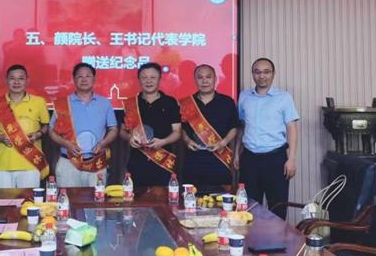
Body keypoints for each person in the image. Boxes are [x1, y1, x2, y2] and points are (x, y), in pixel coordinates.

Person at [235, 58, 300, 219]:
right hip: (249, 159)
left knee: (277, 208)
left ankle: (277, 237)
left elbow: (292, 128)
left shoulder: (284, 97)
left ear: (273, 74)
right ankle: (250, 236)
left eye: (266, 72)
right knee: (248, 208)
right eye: (257, 72)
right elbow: (241, 127)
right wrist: (236, 153)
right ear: (252, 74)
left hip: (275, 159)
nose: (262, 76)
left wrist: (291, 159)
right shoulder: (244, 96)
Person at [49, 63, 119, 187]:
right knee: (67, 198)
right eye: (80, 76)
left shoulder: (104, 103)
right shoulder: (62, 104)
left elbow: (113, 129)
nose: (84, 79)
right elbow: (51, 131)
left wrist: (103, 143)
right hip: (68, 163)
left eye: (88, 76)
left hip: (96, 163)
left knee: (96, 198)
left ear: (94, 79)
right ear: (74, 79)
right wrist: (66, 144)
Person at [0, 64, 50, 189]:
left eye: (21, 78)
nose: (16, 82)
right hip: (4, 164)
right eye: (12, 78)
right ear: (6, 80)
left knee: (29, 201)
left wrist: (38, 134)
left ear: (27, 81)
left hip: (31, 163)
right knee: (4, 201)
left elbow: (46, 126)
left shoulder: (39, 102)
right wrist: (0, 138)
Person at [120, 63, 181, 187]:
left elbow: (177, 132)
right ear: (139, 80)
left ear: (159, 79)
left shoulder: (170, 102)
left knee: (164, 197)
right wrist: (129, 138)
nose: (148, 81)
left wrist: (163, 141)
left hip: (163, 161)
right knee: (136, 197)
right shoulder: (130, 103)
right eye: (144, 78)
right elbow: (121, 131)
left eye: (153, 77)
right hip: (137, 161)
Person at [180, 64, 238, 194]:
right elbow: (181, 128)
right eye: (200, 77)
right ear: (195, 80)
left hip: (219, 160)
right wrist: (187, 141)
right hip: (193, 161)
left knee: (221, 199)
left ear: (215, 79)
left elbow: (234, 127)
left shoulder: (227, 102)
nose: (204, 81)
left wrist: (223, 143)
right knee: (190, 199)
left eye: (208, 77)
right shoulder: (186, 103)